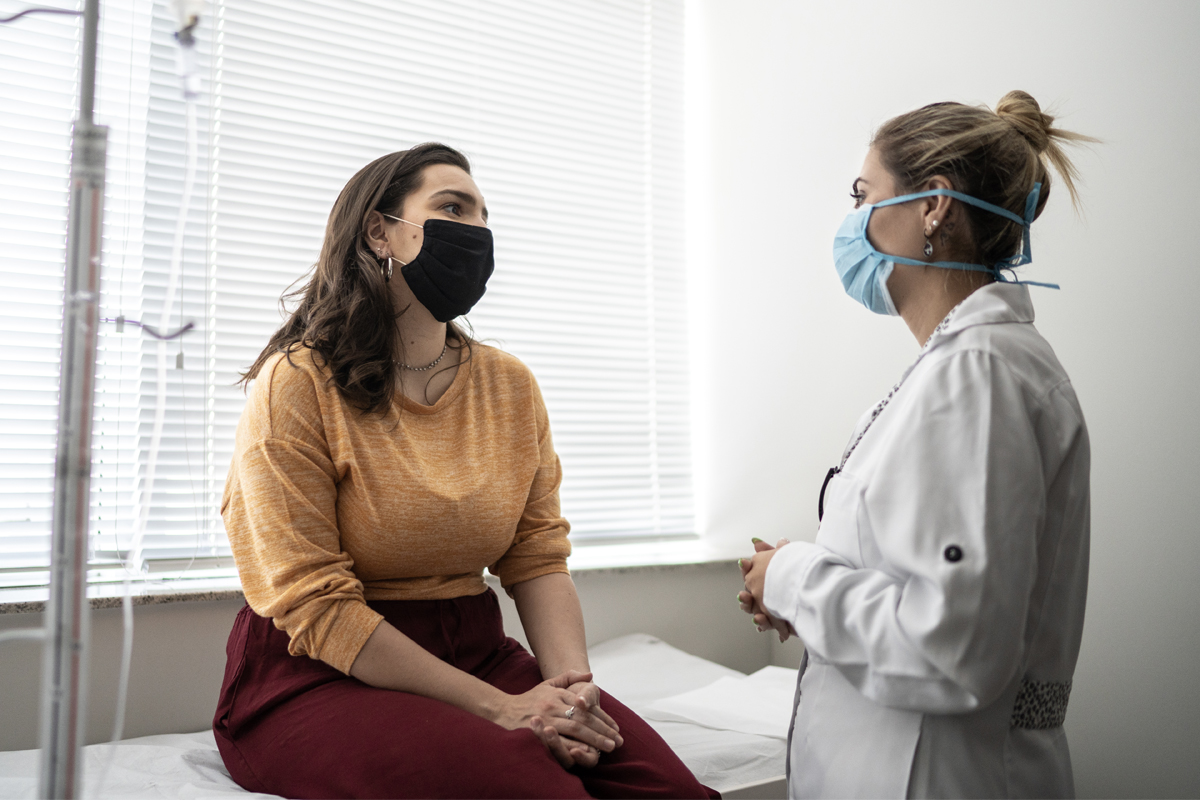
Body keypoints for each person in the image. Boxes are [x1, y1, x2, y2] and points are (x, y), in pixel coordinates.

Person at [214, 142, 716, 799]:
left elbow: (536, 555)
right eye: (452, 207)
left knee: (670, 791)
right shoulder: (298, 384)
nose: (475, 230)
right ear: (381, 232)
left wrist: (571, 692)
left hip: (477, 651)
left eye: (483, 215)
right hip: (319, 673)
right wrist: (505, 709)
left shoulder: (508, 385)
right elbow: (313, 603)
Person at [738, 91, 1094, 798]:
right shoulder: (961, 369)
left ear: (935, 205)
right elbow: (924, 584)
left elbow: (952, 650)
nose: (851, 221)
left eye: (863, 194)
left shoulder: (979, 375)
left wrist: (792, 576)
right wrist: (802, 593)